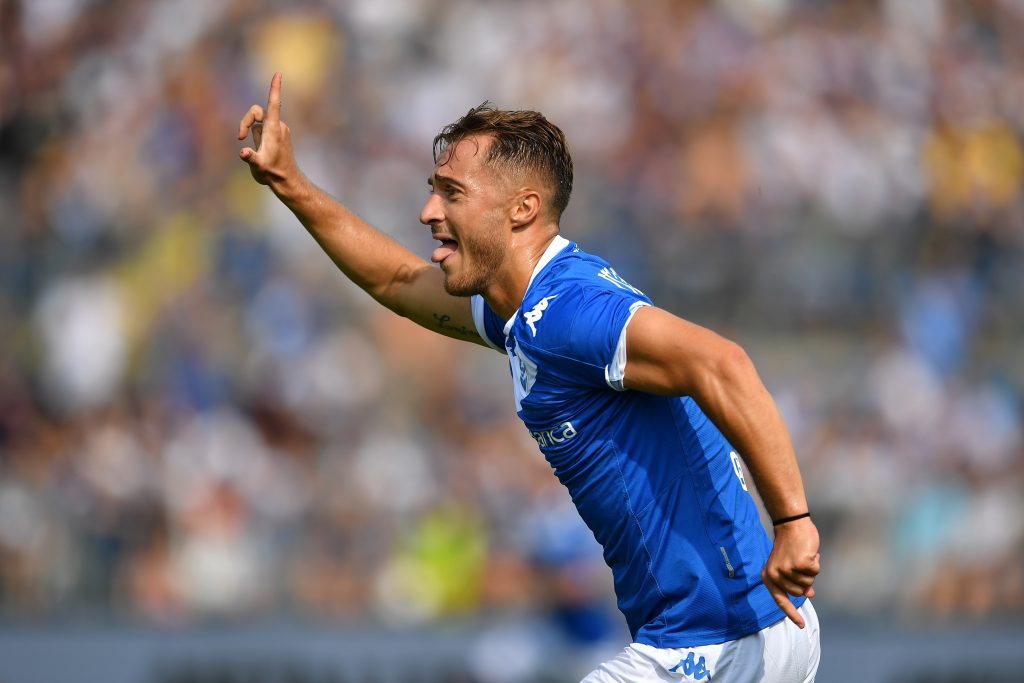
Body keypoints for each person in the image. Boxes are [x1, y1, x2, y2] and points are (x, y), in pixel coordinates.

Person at [238, 73, 821, 682]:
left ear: (522, 209)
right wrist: (289, 182)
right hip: (749, 628)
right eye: (433, 192)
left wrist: (793, 523)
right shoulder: (523, 310)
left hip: (717, 637)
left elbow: (723, 363)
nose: (428, 212)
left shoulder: (567, 311)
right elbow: (398, 283)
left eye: (451, 194)